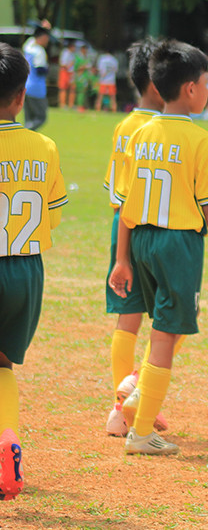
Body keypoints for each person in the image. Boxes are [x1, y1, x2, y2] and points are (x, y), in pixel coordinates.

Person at [108, 40, 208, 455]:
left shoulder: (139, 133)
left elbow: (125, 207)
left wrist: (121, 258)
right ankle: (141, 428)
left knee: (161, 326)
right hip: (178, 242)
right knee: (166, 334)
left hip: (141, 239)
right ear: (189, 89)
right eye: (207, 83)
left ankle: (135, 393)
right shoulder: (201, 140)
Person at [0, 42, 68, 501]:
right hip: (26, 271)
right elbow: (54, 213)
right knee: (3, 364)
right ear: (22, 96)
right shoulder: (43, 145)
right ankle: (7, 445)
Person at [103, 39, 167, 437]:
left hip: (122, 227)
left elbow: (115, 194)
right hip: (158, 230)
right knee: (169, 321)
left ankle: (119, 408)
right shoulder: (163, 127)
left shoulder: (125, 125)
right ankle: (137, 393)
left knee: (128, 318)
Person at [21, 27, 50, 130]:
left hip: (25, 86)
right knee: (41, 117)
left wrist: (42, 27)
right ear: (42, 37)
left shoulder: (28, 47)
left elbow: (32, 39)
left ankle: (26, 141)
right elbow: (40, 70)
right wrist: (47, 69)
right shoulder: (39, 52)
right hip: (36, 89)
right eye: (47, 37)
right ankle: (25, 132)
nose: (48, 40)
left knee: (28, 119)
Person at [57, 41, 76, 108]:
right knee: (63, 88)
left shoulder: (72, 54)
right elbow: (63, 64)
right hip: (65, 72)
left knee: (72, 88)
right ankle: (62, 104)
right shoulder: (66, 53)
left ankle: (71, 104)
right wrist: (70, 65)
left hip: (70, 72)